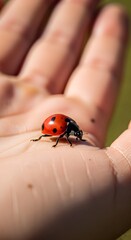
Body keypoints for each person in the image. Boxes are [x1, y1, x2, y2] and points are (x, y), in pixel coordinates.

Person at [0, 0, 130, 239]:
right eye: (75, 135)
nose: (75, 136)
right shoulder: (64, 130)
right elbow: (62, 133)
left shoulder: (69, 126)